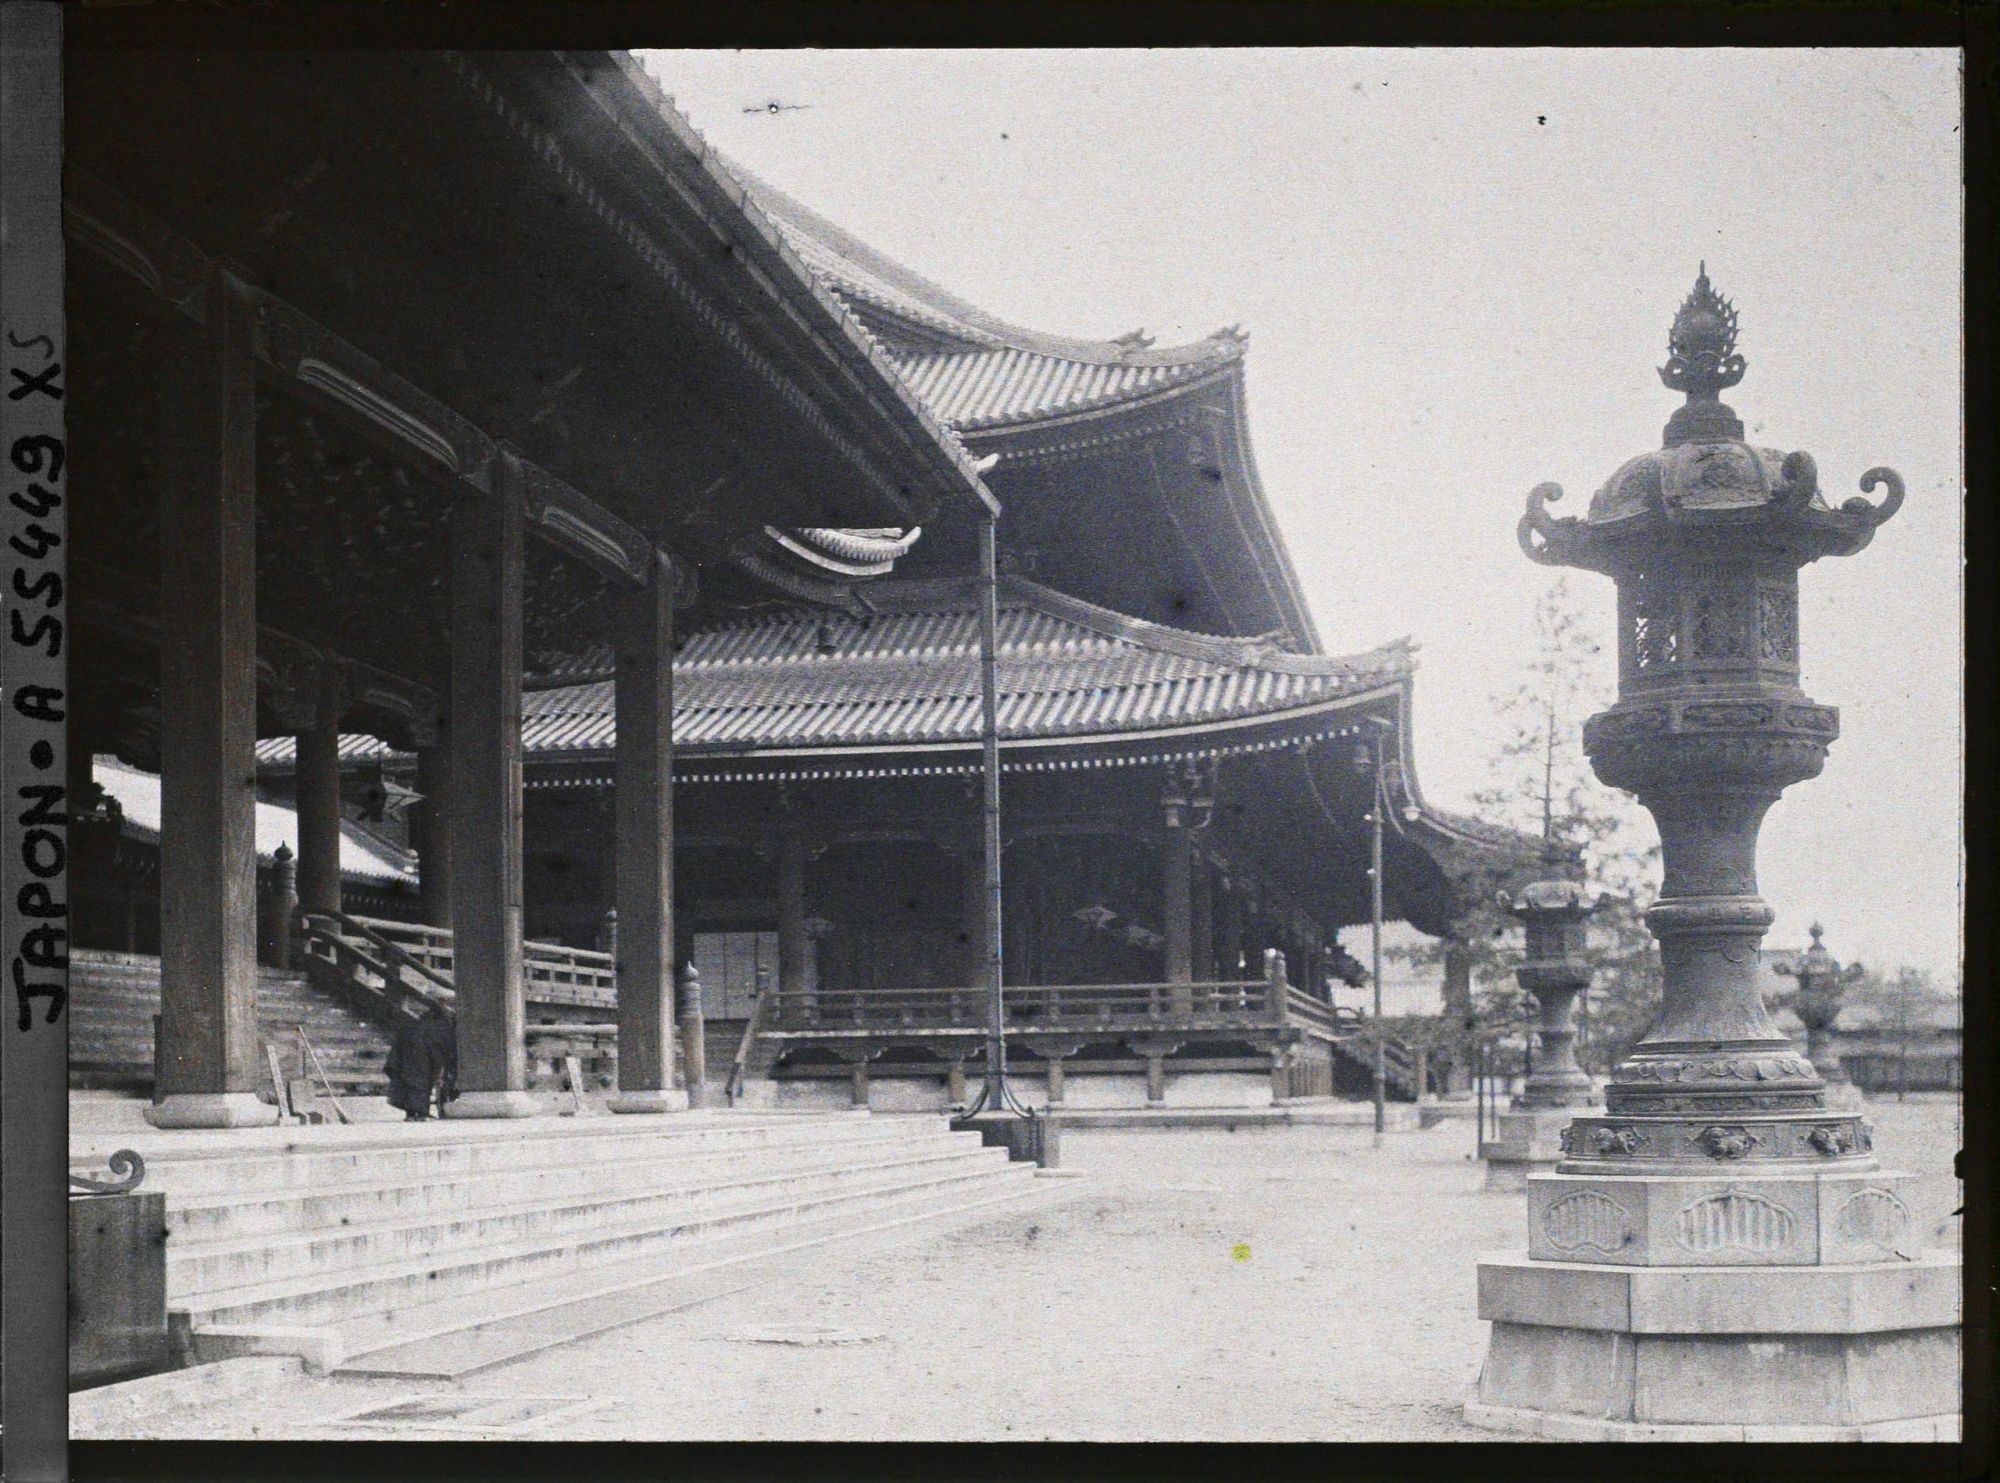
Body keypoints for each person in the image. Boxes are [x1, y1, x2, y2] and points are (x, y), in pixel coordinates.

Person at [384, 1000, 457, 1121]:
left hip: (411, 1048)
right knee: (421, 1080)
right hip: (423, 1051)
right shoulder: (443, 1022)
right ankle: (421, 1112)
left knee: (411, 1079)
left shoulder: (425, 1019)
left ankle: (411, 1113)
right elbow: (444, 1046)